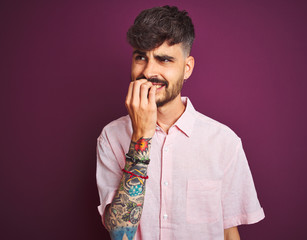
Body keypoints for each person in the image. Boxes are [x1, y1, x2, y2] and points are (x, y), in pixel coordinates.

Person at [96, 5, 264, 240]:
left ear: (187, 68)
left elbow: (228, 232)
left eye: (164, 59)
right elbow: (119, 232)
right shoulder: (111, 137)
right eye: (141, 57)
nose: (149, 71)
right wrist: (141, 137)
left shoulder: (225, 142)